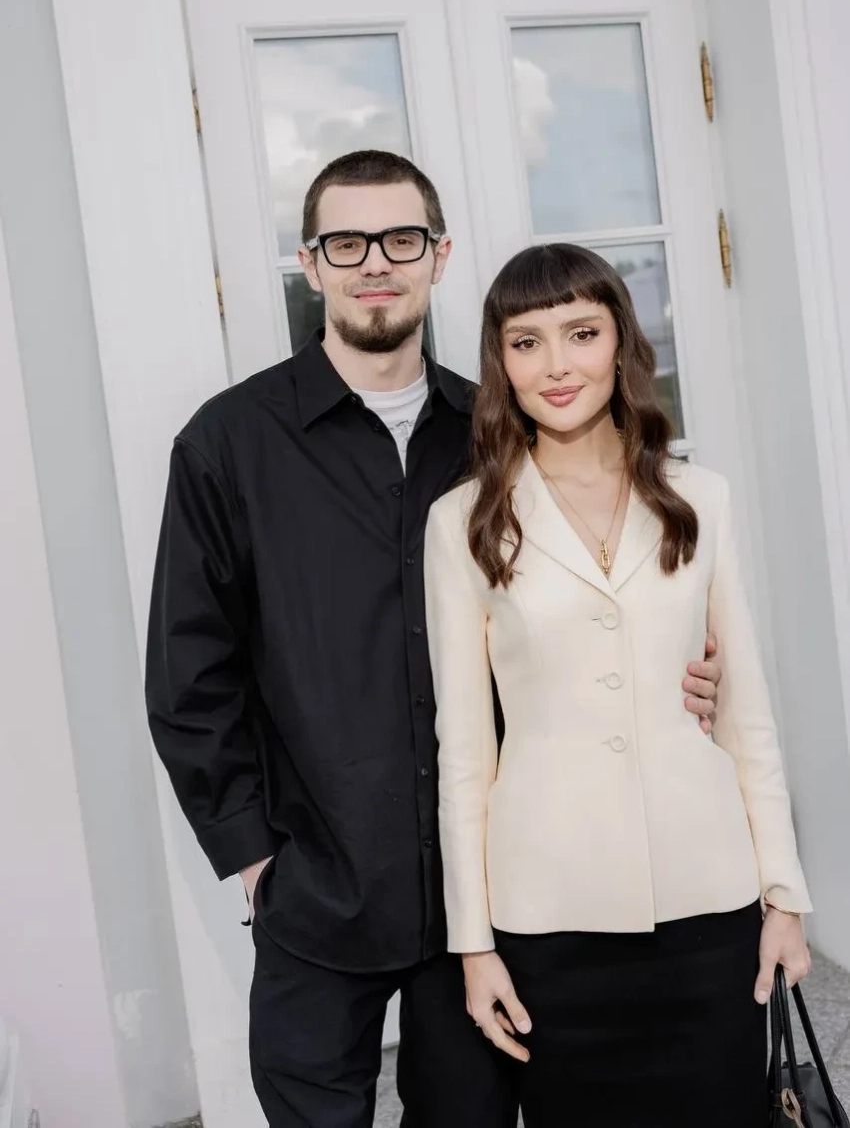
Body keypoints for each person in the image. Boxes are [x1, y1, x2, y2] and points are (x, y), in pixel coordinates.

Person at [145, 153, 722, 1128]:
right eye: (347, 242)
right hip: (318, 884)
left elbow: (591, 597)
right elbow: (188, 674)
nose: (376, 261)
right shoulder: (227, 445)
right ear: (310, 262)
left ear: (438, 256)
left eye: (401, 239)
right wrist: (254, 861)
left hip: (482, 892)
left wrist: (685, 672)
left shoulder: (502, 436)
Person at [423, 241, 812, 1128]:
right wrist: (474, 944)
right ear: (500, 363)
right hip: (550, 913)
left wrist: (784, 893)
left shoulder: (700, 496)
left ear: (621, 342)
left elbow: (746, 714)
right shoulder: (463, 521)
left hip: (709, 896)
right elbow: (465, 756)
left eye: (582, 333)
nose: (557, 365)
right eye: (527, 342)